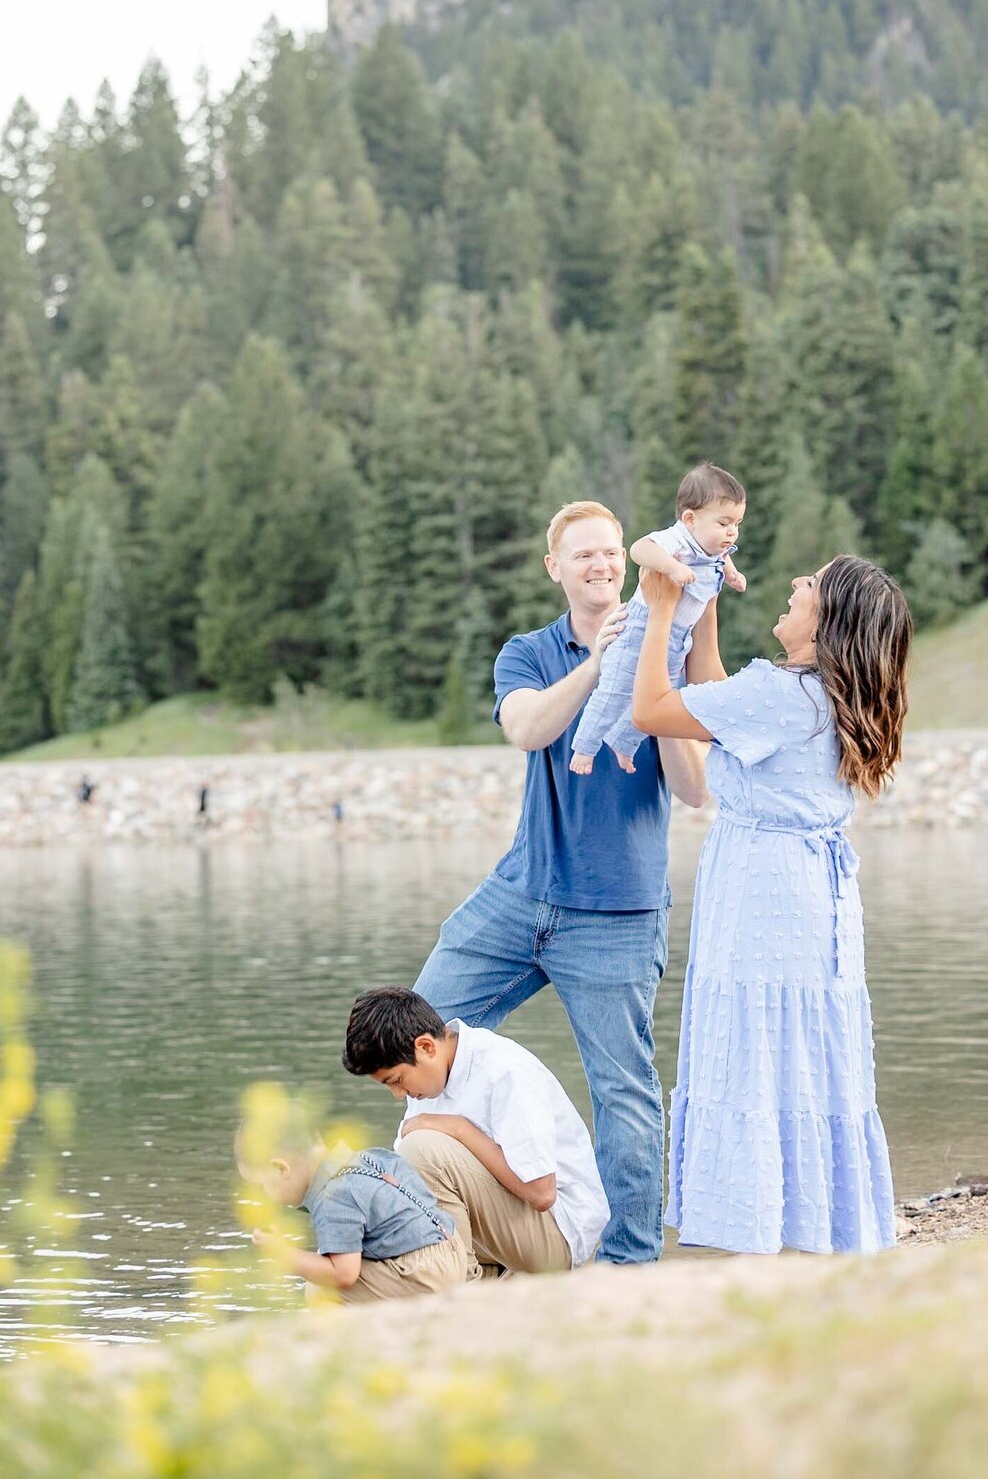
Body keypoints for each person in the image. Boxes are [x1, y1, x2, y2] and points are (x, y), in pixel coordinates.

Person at [413, 501, 709, 1266]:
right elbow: (527, 728)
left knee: (625, 1093)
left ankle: (630, 1260)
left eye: (612, 553)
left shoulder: (661, 648)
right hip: (521, 895)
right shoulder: (528, 652)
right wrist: (596, 668)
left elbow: (696, 790)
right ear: (555, 568)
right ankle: (456, 1231)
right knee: (418, 1029)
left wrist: (660, 694)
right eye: (583, 556)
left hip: (617, 911)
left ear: (628, 562)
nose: (602, 565)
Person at [632, 553, 912, 1255]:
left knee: (756, 1042)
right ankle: (821, 1222)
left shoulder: (781, 696)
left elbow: (651, 711)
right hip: (815, 898)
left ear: (829, 623)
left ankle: (755, 1225)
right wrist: (707, 607)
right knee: (809, 1046)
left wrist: (664, 610)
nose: (794, 586)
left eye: (810, 586)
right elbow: (719, 697)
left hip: (763, 889)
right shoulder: (823, 695)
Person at [343, 987, 609, 1278]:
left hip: (558, 1235)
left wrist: (458, 1129)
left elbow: (541, 1192)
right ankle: (474, 1277)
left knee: (421, 1149)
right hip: (501, 1235)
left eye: (397, 1080)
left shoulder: (504, 1071)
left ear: (426, 1047)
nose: (397, 1094)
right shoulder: (427, 1082)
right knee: (352, 1269)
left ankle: (459, 1285)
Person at [570, 463, 747, 776]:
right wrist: (672, 568)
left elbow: (722, 558)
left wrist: (731, 573)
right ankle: (584, 746)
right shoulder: (676, 539)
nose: (731, 531)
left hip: (678, 637)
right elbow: (640, 549)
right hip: (641, 627)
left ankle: (622, 743)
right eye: (724, 522)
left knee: (657, 697)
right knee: (617, 689)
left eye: (737, 523)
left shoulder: (713, 547)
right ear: (690, 519)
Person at [236, 1113, 466, 1304]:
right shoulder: (368, 1158)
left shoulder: (333, 1194)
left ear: (280, 1169)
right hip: (454, 1250)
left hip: (426, 1275)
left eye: (261, 1185)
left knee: (321, 1289)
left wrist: (283, 1253)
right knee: (328, 1257)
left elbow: (343, 1274)